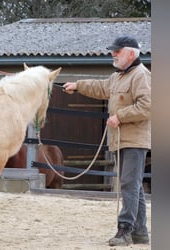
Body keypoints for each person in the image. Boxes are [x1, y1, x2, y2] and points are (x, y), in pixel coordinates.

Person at [63, 35, 151, 246]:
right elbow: (100, 87)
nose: (113, 54)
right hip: (122, 139)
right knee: (134, 186)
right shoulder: (118, 77)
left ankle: (124, 230)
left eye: (117, 51)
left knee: (129, 185)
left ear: (131, 53)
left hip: (134, 140)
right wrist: (78, 86)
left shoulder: (141, 76)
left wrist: (120, 116)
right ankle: (140, 233)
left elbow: (148, 106)